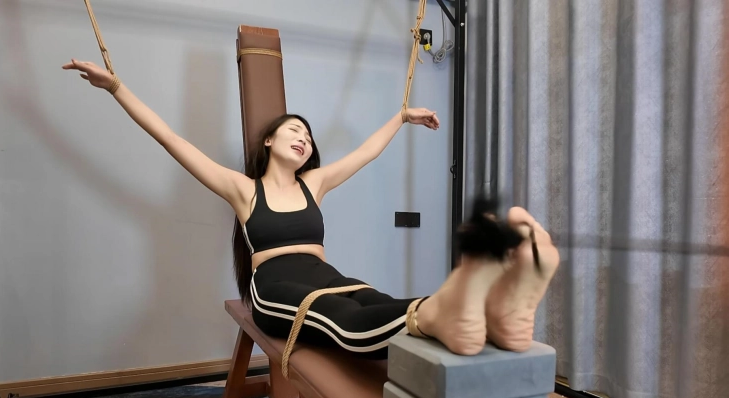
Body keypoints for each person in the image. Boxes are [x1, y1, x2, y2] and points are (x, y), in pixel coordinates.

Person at [62, 58, 560, 358]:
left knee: (373, 300)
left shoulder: (314, 184)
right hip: (274, 287)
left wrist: (401, 116)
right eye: (293, 130)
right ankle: (445, 311)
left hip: (326, 273)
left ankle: (487, 312)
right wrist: (117, 88)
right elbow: (171, 139)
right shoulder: (243, 189)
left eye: (308, 134)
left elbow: (365, 152)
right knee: (338, 316)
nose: (303, 138)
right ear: (270, 140)